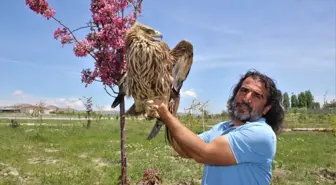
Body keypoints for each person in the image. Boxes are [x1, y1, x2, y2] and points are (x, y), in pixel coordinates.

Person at [150, 69, 285, 185]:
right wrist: (171, 112)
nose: (246, 98)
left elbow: (203, 153)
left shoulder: (262, 134)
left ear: (266, 108)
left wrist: (166, 115)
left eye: (257, 96)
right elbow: (185, 150)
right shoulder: (222, 128)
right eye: (243, 90)